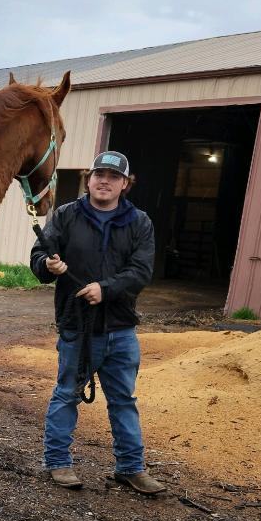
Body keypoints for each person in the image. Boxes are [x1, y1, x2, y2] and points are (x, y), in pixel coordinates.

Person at [28, 150, 165, 494]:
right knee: (66, 395)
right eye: (99, 174)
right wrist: (48, 265)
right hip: (77, 326)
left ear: (125, 184)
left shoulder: (139, 222)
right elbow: (39, 256)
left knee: (123, 400)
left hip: (120, 328)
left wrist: (105, 289)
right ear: (89, 179)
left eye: (114, 177)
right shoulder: (66, 216)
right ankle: (58, 463)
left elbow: (141, 271)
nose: (105, 181)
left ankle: (131, 468)